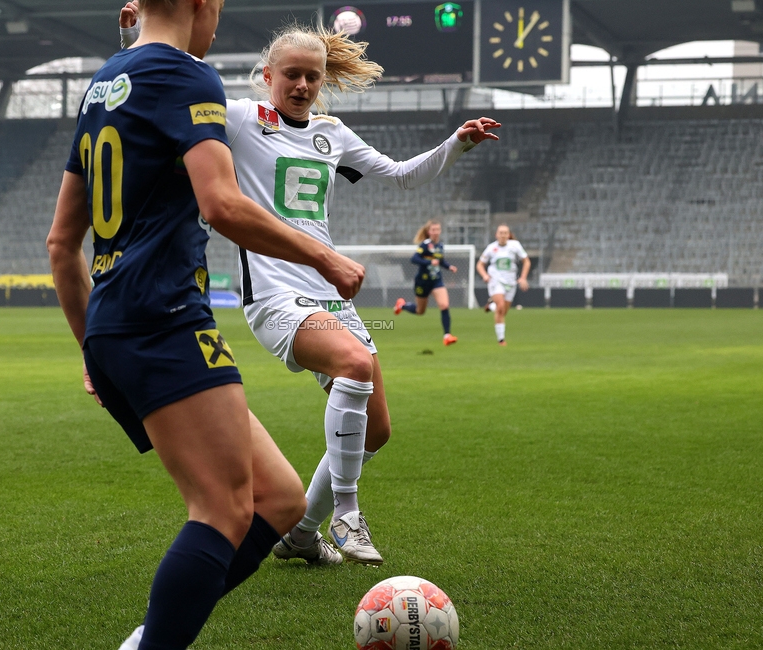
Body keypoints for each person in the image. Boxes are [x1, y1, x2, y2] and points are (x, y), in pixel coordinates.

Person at [119, 4, 500, 568]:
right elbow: (151, 89)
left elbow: (398, 175)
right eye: (290, 74)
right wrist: (131, 33)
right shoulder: (240, 117)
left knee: (377, 432)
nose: (301, 85)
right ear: (267, 75)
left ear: (323, 82)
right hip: (273, 292)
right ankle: (346, 509)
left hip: (328, 294)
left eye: (312, 76)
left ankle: (301, 534)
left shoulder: (331, 133)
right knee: (355, 364)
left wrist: (457, 142)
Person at [47, 2, 365, 649]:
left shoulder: (105, 83)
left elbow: (61, 243)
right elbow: (220, 205)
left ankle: (149, 637)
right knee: (222, 511)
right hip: (162, 316)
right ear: (198, 6)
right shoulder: (189, 75)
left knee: (277, 502)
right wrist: (323, 255)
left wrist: (92, 348)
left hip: (114, 322)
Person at [394, 220, 459, 346]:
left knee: (444, 305)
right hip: (422, 282)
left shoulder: (440, 246)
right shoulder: (425, 245)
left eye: (437, 229)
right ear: (429, 232)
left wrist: (449, 266)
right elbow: (414, 259)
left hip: (436, 281)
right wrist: (429, 262)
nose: (435, 232)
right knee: (420, 311)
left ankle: (447, 336)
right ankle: (401, 305)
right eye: (433, 230)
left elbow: (440, 260)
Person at [477, 224, 531, 346]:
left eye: (505, 233)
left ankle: (491, 306)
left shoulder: (515, 246)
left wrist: (523, 278)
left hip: (511, 282)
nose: (503, 235)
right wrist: (485, 276)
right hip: (495, 281)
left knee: (502, 312)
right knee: (500, 306)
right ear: (496, 235)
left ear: (509, 235)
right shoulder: (491, 248)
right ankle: (501, 340)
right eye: (500, 233)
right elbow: (480, 265)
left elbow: (526, 261)